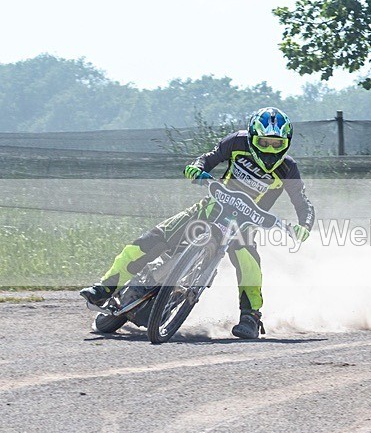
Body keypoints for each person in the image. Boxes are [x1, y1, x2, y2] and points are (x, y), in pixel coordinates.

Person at [80, 107, 315, 339]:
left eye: (277, 144)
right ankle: (105, 288)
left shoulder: (288, 169)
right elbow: (207, 158)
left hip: (244, 226)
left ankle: (251, 317)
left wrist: (303, 227)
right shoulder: (236, 142)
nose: (270, 150)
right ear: (253, 139)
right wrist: (197, 169)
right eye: (264, 143)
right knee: (149, 240)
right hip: (210, 207)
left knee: (249, 262)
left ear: (287, 143)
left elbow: (303, 204)